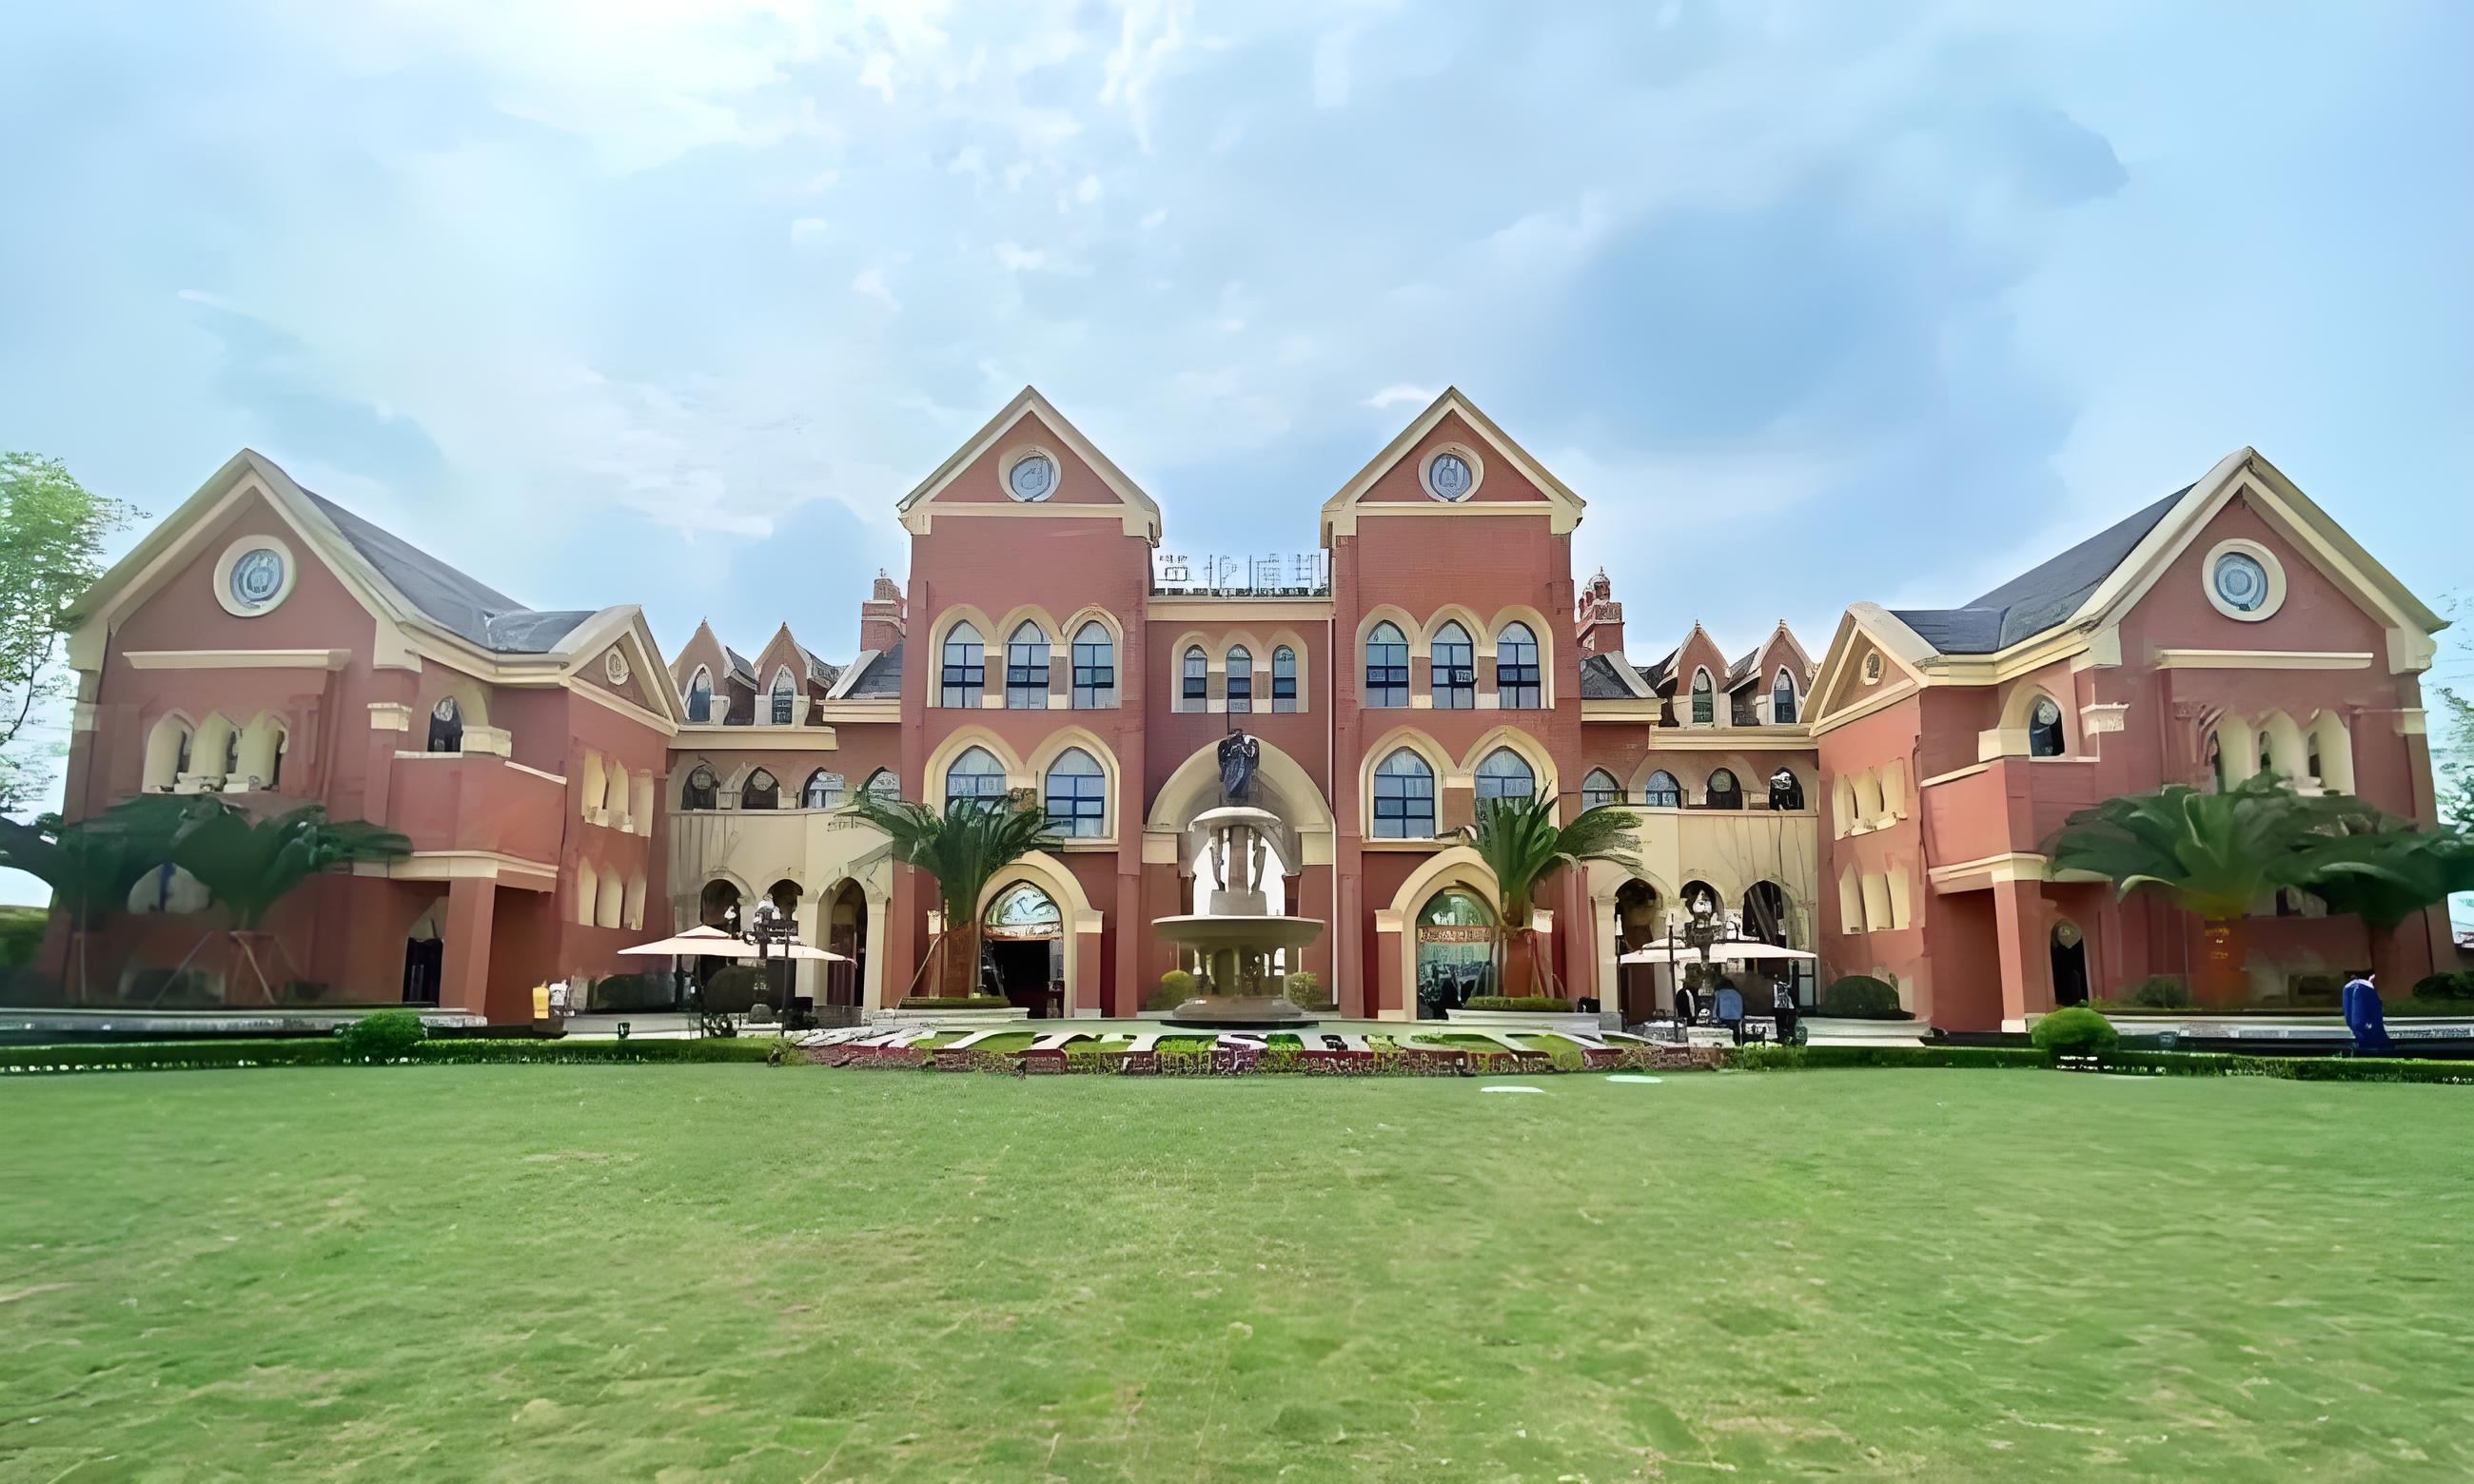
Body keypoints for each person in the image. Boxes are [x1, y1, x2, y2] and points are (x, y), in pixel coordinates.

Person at [2341, 969, 2391, 1054]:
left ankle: (2366, 1044)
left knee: (2355, 1022)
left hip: (2351, 988)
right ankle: (2376, 1045)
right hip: (2363, 988)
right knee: (2366, 1023)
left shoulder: (2349, 986)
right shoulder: (2366, 986)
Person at [1771, 979, 1800, 1045]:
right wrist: (1797, 1007)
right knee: (1790, 1025)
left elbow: (1772, 997)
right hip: (1790, 1008)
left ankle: (1781, 1038)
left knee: (1780, 1025)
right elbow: (1794, 997)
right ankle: (1790, 1038)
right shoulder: (1788, 987)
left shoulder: (1774, 987)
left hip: (1778, 1008)